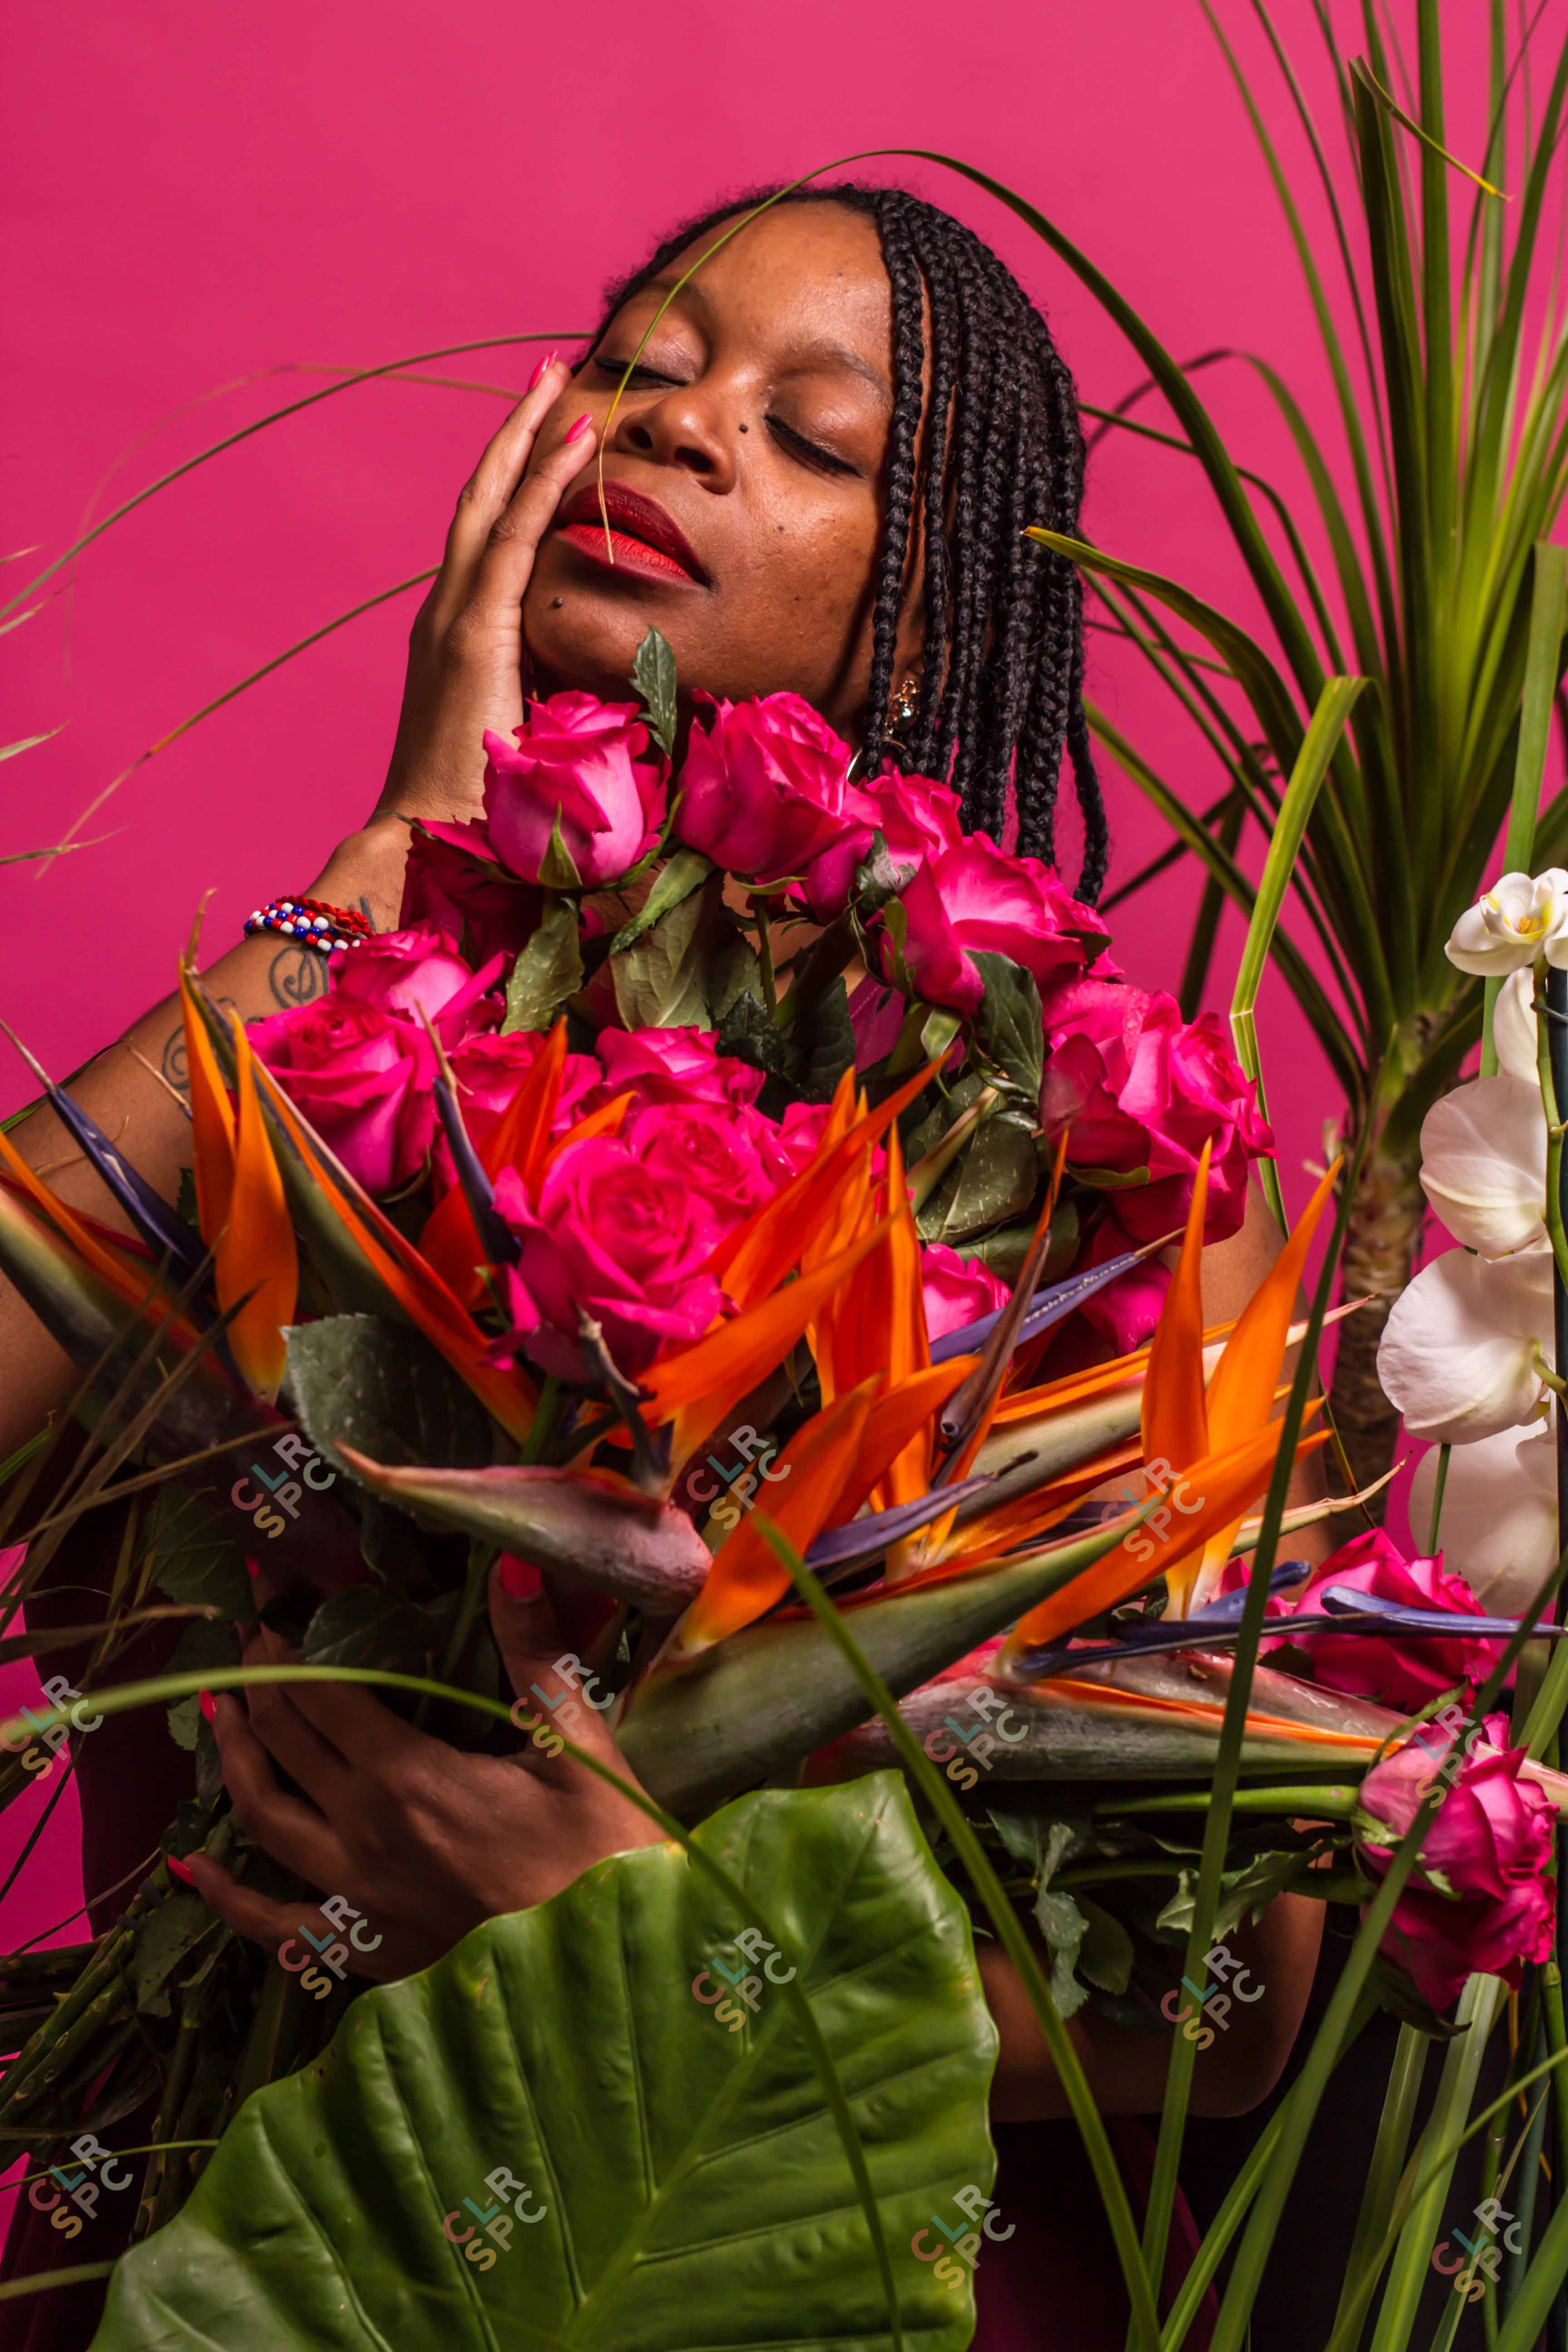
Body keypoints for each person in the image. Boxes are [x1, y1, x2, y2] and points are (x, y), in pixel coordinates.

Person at [0, 184, 1325, 2347]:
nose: (686, 428)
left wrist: (640, 1917)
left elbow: (1234, 2010)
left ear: (920, 620)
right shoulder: (304, 1059)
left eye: (811, 432)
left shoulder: (1083, 1137)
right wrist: (371, 881)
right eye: (638, 362)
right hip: (209, 2255)